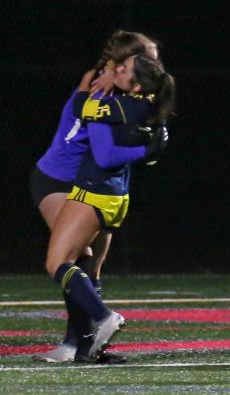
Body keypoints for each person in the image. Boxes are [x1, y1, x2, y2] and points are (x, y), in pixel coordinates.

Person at [31, 30, 159, 363]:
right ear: (121, 63)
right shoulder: (99, 83)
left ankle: (85, 347)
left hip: (98, 186)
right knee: (74, 256)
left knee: (94, 266)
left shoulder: (134, 93)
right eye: (147, 57)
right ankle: (82, 338)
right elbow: (93, 126)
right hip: (59, 178)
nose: (154, 64)